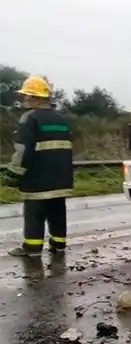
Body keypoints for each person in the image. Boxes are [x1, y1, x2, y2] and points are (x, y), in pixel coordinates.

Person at [0, 76, 74, 257]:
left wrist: (14, 173)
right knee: (57, 212)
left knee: (34, 214)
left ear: (37, 98)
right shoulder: (61, 118)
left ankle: (32, 249)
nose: (24, 100)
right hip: (61, 178)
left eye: (27, 96)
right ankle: (59, 245)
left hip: (37, 177)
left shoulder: (29, 118)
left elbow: (22, 150)